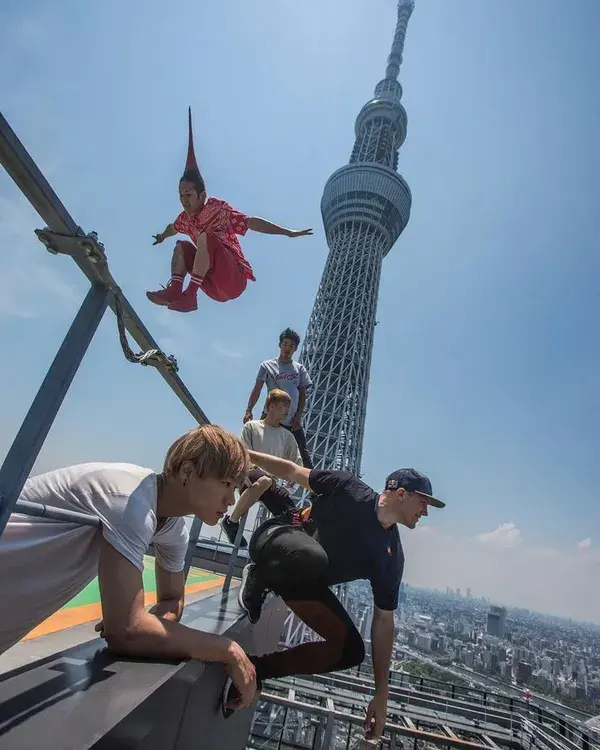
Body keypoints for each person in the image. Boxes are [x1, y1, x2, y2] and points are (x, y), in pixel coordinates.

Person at [0, 425, 258, 713]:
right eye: (226, 484)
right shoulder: (130, 500)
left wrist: (149, 626)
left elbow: (172, 601)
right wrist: (226, 649)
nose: (232, 500)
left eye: (235, 489)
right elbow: (126, 630)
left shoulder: (172, 526)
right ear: (187, 472)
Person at [225, 452, 446, 741]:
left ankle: (258, 668)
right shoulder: (348, 487)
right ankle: (258, 575)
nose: (425, 512)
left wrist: (381, 692)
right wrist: (244, 453)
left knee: (351, 651)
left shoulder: (391, 556)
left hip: (302, 581)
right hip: (277, 540)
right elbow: (292, 471)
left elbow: (383, 621)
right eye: (423, 502)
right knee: (314, 557)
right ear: (401, 494)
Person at [147, 109, 313, 313]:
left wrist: (287, 232)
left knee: (205, 237)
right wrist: (162, 236)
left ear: (202, 195)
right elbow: (172, 228)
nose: (184, 201)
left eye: (188, 195)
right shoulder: (184, 219)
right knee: (181, 246)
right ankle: (175, 290)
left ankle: (190, 295)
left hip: (233, 279)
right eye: (181, 195)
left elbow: (251, 222)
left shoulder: (217, 209)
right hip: (211, 285)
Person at [221, 389, 303, 548]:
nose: (287, 410)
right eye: (284, 405)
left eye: (288, 406)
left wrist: (288, 488)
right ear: (271, 405)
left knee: (293, 517)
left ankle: (266, 547)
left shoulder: (287, 437)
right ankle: (231, 522)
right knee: (265, 480)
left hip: (272, 484)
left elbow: (297, 465)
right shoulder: (251, 427)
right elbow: (244, 454)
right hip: (248, 475)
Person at [244, 327, 313, 469]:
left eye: (291, 346)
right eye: (285, 344)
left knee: (303, 455)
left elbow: (302, 395)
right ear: (280, 345)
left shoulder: (299, 369)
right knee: (260, 449)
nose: (287, 348)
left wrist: (298, 416)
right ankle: (252, 476)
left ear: (295, 349)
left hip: (291, 420)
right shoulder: (267, 366)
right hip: (271, 414)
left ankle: (315, 488)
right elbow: (257, 389)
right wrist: (249, 410)